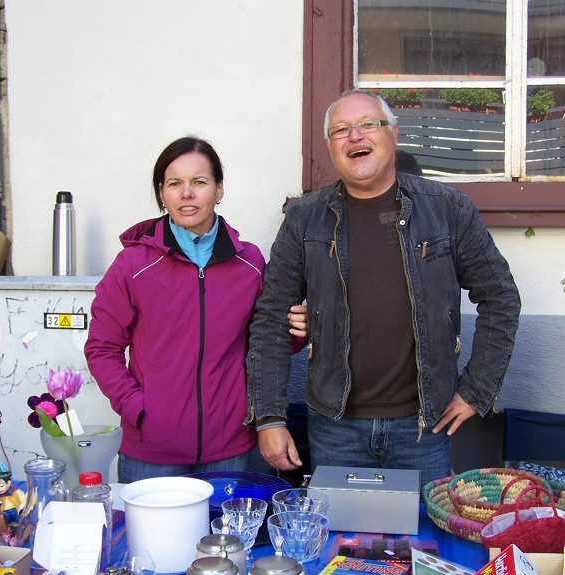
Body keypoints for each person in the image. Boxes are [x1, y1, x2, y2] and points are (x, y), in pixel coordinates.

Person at [247, 89, 520, 483]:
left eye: (368, 125)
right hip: (335, 427)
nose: (355, 136)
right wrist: (269, 418)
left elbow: (501, 298)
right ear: (330, 146)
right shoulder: (304, 220)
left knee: (424, 542)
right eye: (341, 130)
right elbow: (272, 318)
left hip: (424, 428)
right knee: (341, 540)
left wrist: (477, 390)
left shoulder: (447, 209)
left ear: (393, 134)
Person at [86, 137, 305, 482]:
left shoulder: (248, 263)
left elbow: (264, 341)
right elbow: (102, 348)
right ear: (162, 194)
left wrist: (296, 331)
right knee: (152, 539)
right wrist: (139, 410)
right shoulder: (133, 265)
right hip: (152, 453)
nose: (186, 193)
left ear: (218, 190)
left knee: (230, 537)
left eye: (199, 182)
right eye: (175, 183)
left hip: (231, 449)